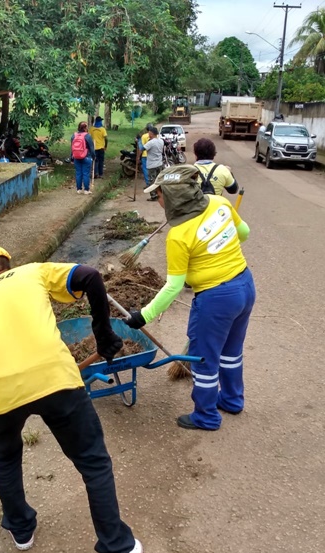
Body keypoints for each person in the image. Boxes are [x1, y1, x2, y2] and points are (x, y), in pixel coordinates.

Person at [0, 243, 143, 553]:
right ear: (5, 264)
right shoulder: (33, 272)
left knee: (3, 456)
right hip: (54, 379)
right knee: (92, 461)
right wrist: (103, 333)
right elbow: (90, 276)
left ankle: (21, 529)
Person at [122, 165, 255, 431]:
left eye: (159, 194)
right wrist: (218, 242)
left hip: (216, 299)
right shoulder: (219, 202)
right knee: (231, 352)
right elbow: (244, 234)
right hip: (244, 286)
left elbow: (173, 287)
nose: (157, 199)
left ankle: (206, 416)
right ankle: (232, 400)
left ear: (172, 197)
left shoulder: (179, 235)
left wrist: (144, 316)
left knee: (203, 359)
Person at [140, 127, 164, 201]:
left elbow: (142, 148)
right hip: (159, 163)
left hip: (152, 165)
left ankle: (154, 196)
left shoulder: (151, 142)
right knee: (159, 180)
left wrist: (139, 142)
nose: (148, 135)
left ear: (152, 134)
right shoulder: (161, 141)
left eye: (149, 133)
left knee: (151, 181)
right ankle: (161, 194)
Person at [71, 122, 95, 194]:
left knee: (78, 173)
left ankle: (79, 189)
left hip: (76, 157)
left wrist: (72, 157)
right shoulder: (87, 136)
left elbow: (72, 148)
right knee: (86, 173)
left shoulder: (74, 135)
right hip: (86, 157)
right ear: (85, 128)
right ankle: (86, 190)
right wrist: (94, 157)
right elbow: (91, 148)